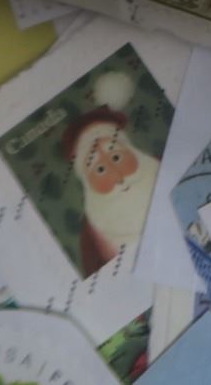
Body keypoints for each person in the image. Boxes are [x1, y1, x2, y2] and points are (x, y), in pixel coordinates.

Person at [60, 72, 161, 275]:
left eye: (116, 157)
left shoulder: (166, 168)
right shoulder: (93, 235)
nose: (118, 177)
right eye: (100, 169)